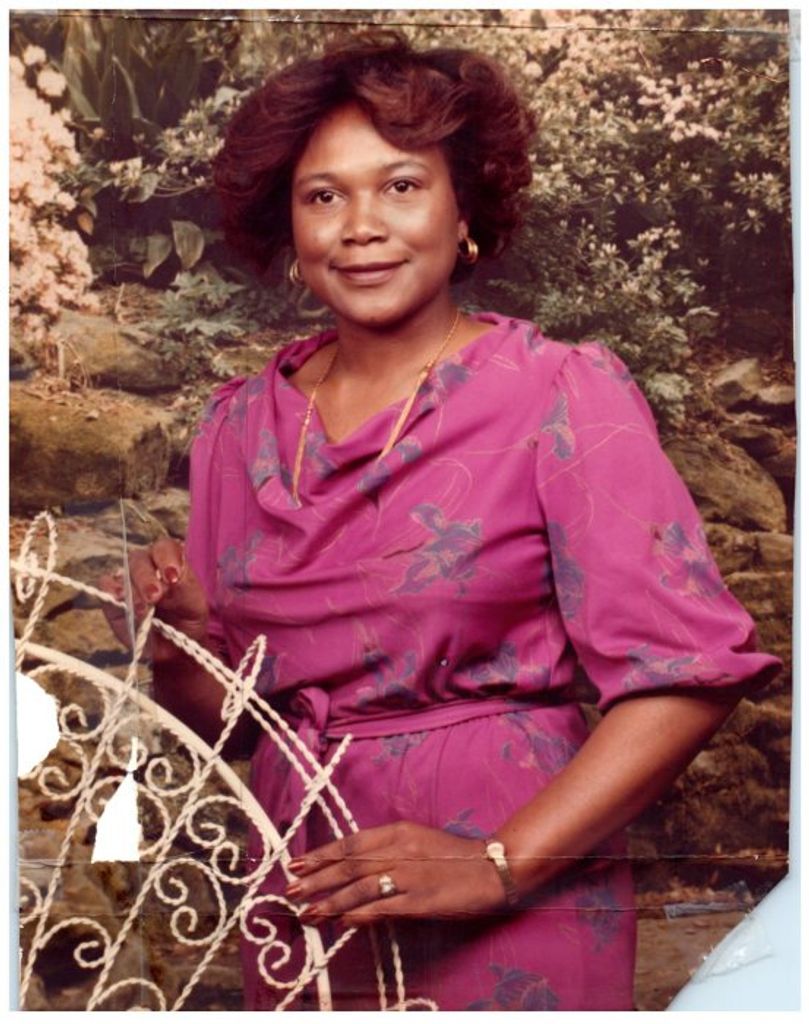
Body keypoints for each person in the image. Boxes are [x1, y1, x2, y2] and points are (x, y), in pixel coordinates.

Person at [109, 34, 781, 1011]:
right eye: (323, 195)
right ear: (288, 225)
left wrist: (495, 863)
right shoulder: (234, 427)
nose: (359, 227)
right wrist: (173, 645)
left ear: (464, 209)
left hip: (515, 887)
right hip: (306, 897)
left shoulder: (558, 394)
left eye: (400, 186)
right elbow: (242, 724)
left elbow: (686, 676)